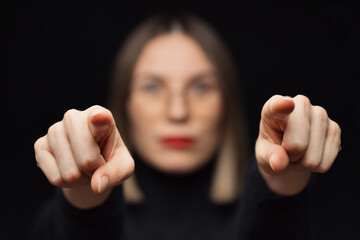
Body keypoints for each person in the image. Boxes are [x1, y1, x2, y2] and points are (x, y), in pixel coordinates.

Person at [32, 13, 341, 240]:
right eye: (152, 87)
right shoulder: (58, 222)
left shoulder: (286, 219)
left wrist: (284, 178)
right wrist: (84, 193)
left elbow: (274, 230)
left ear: (226, 105)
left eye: (201, 87)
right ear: (126, 105)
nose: (178, 112)